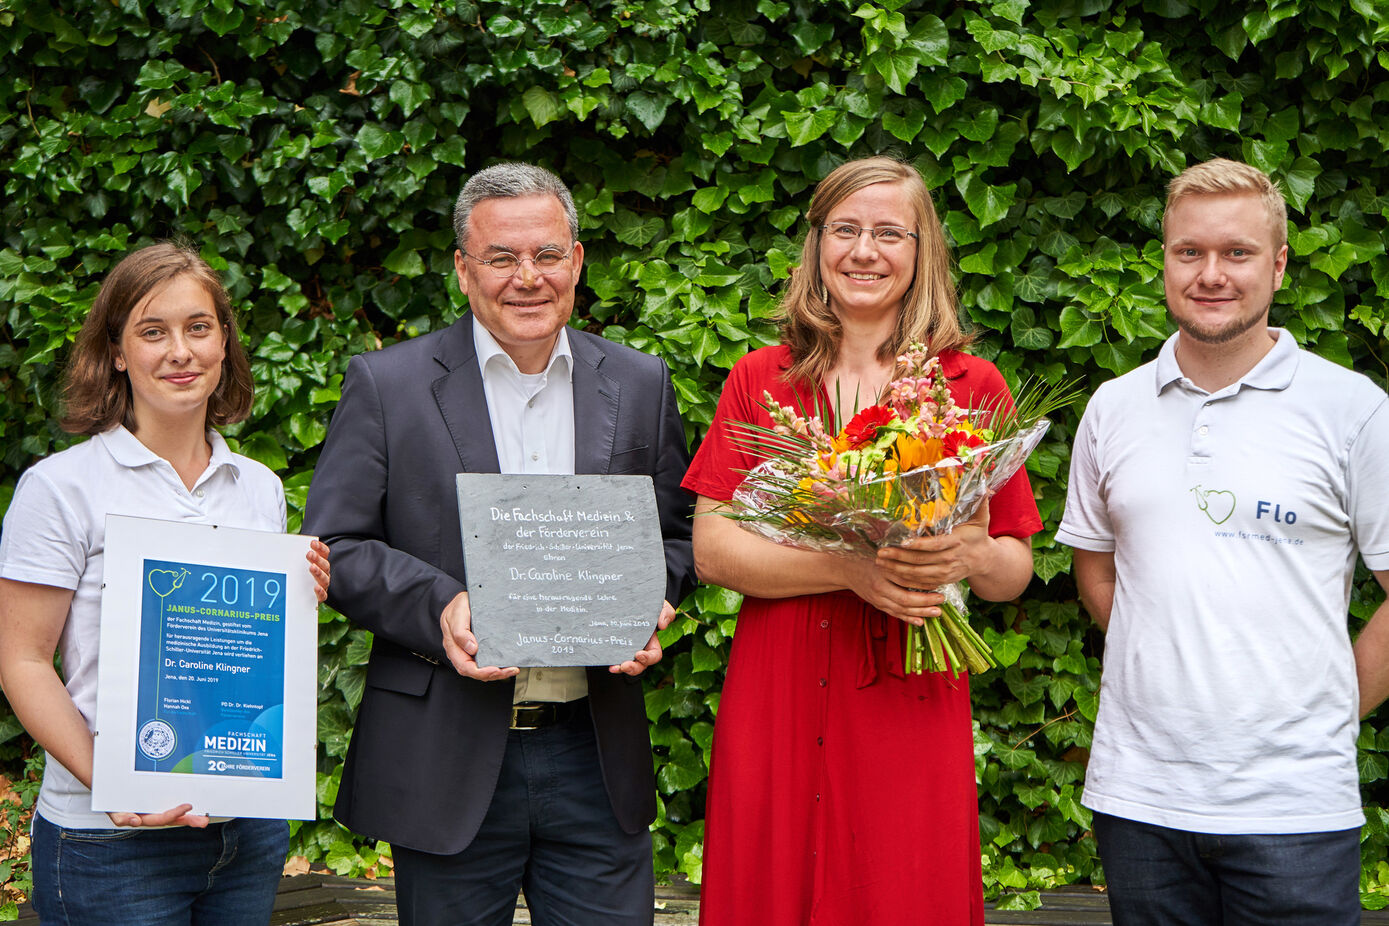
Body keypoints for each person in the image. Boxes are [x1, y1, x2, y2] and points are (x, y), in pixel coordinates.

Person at [302, 162, 695, 926]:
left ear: (577, 260)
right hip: (445, 752)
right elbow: (337, 546)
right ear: (462, 269)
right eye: (501, 257)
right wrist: (440, 603)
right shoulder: (388, 385)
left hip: (593, 748)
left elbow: (674, 532)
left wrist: (653, 594)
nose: (527, 278)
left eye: (547, 255)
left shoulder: (641, 382)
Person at [683, 156, 1040, 925]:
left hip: (905, 694)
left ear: (922, 251)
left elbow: (1012, 570)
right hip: (777, 688)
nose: (863, 251)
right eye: (844, 230)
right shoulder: (761, 378)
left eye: (888, 232)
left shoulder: (970, 385)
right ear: (816, 246)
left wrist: (970, 554)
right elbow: (712, 550)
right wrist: (851, 570)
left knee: (901, 888)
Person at [1056, 157, 1389, 924]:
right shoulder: (1112, 408)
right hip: (1139, 801)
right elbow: (1100, 573)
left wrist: (1333, 710)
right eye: (1189, 252)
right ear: (1164, 260)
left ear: (1276, 265)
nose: (1211, 274)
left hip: (1295, 810)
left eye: (1236, 253)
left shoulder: (1352, 410)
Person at [0, 243, 331, 926]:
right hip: (110, 841)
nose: (180, 351)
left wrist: (295, 602)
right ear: (117, 352)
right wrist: (113, 783)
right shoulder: (60, 487)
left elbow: (244, 657)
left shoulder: (260, 488)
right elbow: (20, 661)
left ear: (224, 342)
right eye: (153, 331)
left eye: (198, 327)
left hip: (245, 831)